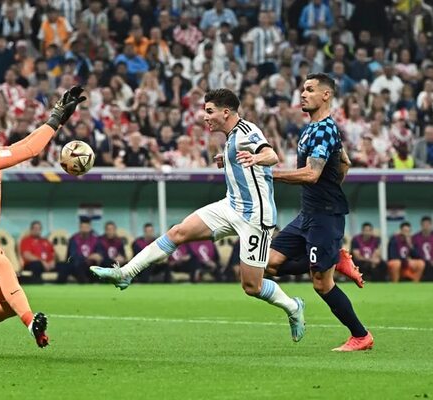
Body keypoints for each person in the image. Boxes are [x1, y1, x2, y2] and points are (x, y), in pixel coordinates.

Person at [91, 88, 306, 342]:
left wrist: (258, 157)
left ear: (226, 112)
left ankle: (293, 307)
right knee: (178, 232)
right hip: (230, 206)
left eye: (209, 111)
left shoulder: (248, 131)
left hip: (255, 217)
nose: (204, 117)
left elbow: (272, 155)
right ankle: (126, 273)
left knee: (252, 286)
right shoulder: (230, 137)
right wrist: (226, 160)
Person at [0, 86, 86, 355]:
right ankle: (32, 323)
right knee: (2, 264)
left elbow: (23, 147)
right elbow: (28, 149)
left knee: (9, 304)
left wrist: (57, 120)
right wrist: (56, 118)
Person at [266, 73, 374, 352]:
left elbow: (312, 174)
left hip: (325, 215)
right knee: (269, 264)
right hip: (308, 214)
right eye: (302, 89)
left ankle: (361, 336)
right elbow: (345, 162)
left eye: (310, 90)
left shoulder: (326, 128)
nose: (303, 94)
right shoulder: (311, 129)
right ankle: (332, 258)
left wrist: (270, 175)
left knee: (321, 284)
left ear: (326, 95)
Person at [412, 216, 433, 280]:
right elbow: (413, 252)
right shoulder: (415, 238)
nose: (426, 227)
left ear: (431, 225)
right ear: (421, 225)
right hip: (421, 261)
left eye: (428, 225)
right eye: (424, 225)